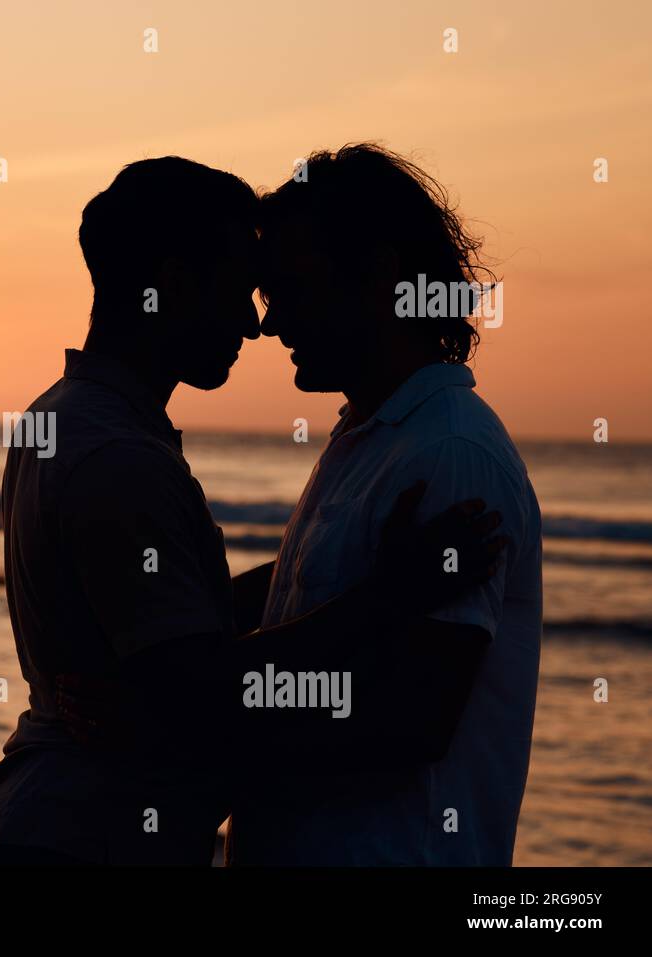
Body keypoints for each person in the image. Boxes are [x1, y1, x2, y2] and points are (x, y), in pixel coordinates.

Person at [0, 156, 505, 867]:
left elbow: (185, 623)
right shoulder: (119, 455)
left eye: (279, 291)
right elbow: (198, 683)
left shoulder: (67, 419)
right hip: (89, 835)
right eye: (242, 288)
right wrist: (384, 595)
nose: (258, 324)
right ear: (177, 282)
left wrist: (345, 575)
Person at [226, 143, 543, 866]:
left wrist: (199, 722)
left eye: (290, 291)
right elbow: (298, 601)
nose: (271, 325)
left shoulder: (450, 453)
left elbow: (409, 724)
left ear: (377, 277)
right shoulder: (369, 435)